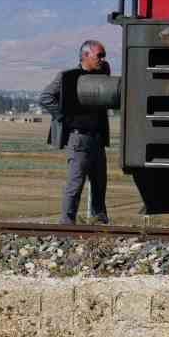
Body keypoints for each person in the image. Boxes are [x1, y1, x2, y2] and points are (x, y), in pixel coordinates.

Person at [39, 39, 111, 225]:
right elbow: (45, 97)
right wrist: (64, 117)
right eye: (99, 55)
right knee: (75, 183)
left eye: (103, 55)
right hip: (78, 138)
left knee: (99, 183)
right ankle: (67, 225)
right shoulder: (68, 77)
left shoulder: (101, 74)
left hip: (97, 139)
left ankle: (99, 222)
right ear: (85, 55)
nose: (102, 59)